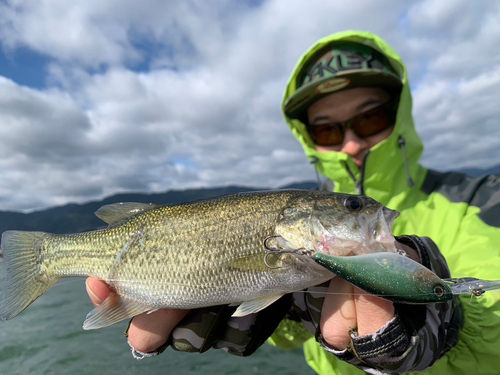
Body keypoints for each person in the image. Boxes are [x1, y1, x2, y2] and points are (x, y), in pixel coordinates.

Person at [86, 30, 500, 374]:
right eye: (327, 130)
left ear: (401, 112)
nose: (352, 142)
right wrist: (286, 312)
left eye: (371, 118)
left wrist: (454, 318)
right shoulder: (304, 238)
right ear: (308, 138)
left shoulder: (485, 199)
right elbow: (288, 328)